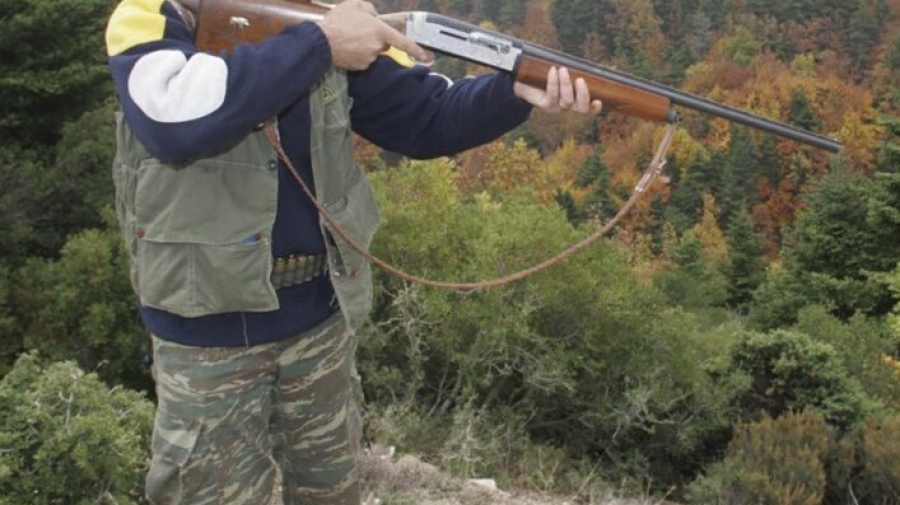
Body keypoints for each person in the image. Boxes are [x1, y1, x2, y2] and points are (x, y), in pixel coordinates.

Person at [105, 0, 601, 503]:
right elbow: (172, 119)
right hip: (205, 334)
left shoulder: (316, 19)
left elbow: (425, 118)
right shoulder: (151, 15)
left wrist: (512, 91)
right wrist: (320, 45)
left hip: (320, 322)